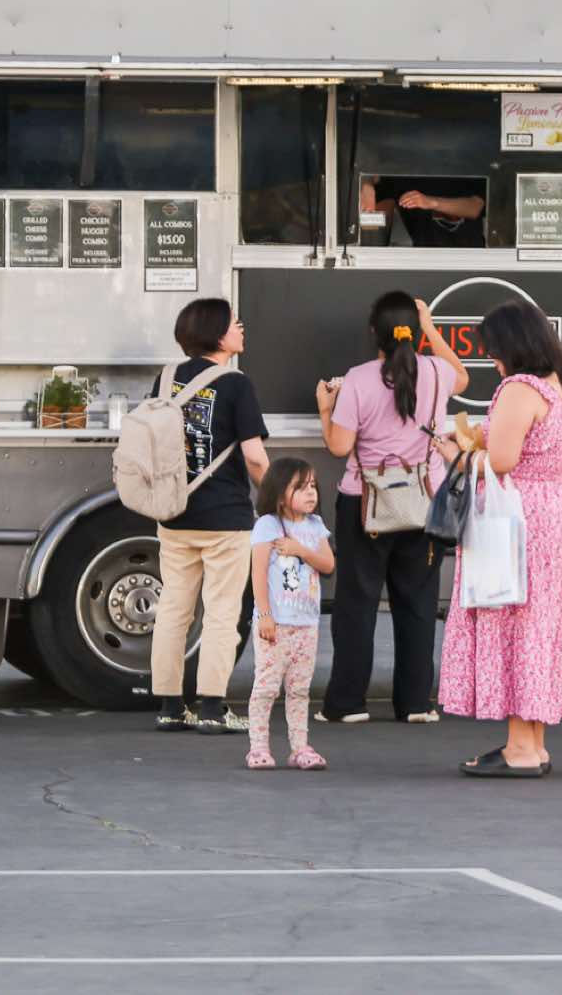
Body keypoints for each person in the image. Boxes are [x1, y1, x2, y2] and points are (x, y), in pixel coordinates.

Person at [437, 301, 562, 777]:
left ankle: (520, 749)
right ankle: (534, 743)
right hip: (557, 511)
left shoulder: (518, 389)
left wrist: (454, 453)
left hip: (517, 514)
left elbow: (502, 461)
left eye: (493, 349)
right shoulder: (561, 388)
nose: (492, 359)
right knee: (542, 626)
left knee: (515, 622)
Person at [315, 293, 470, 724]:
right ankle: (416, 703)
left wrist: (326, 409)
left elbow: (339, 446)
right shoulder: (437, 372)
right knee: (418, 604)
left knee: (357, 605)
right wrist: (431, 328)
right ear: (415, 333)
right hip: (425, 502)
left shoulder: (358, 379)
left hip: (365, 503)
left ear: (374, 334)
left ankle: (347, 704)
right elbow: (462, 376)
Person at [149, 298, 270, 736]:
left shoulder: (165, 379)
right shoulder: (236, 384)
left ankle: (169, 706)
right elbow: (254, 456)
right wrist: (276, 494)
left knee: (173, 610)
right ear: (218, 335)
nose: (241, 328)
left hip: (173, 513)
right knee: (221, 613)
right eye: (234, 323)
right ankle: (213, 708)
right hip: (225, 518)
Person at [247, 458, 336, 770]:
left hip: (306, 623)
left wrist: (300, 550)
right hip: (277, 623)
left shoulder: (315, 526)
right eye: (300, 487)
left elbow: (328, 564)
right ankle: (258, 747)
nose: (311, 493)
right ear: (280, 494)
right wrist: (264, 615)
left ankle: (300, 747)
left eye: (312, 486)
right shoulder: (268, 526)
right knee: (266, 687)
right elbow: (258, 573)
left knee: (299, 689)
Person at [360, 176, 487, 247]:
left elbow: (475, 207)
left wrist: (431, 202)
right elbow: (372, 169)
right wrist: (367, 185)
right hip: (423, 260)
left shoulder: (466, 165)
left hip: (470, 259)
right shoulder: (403, 174)